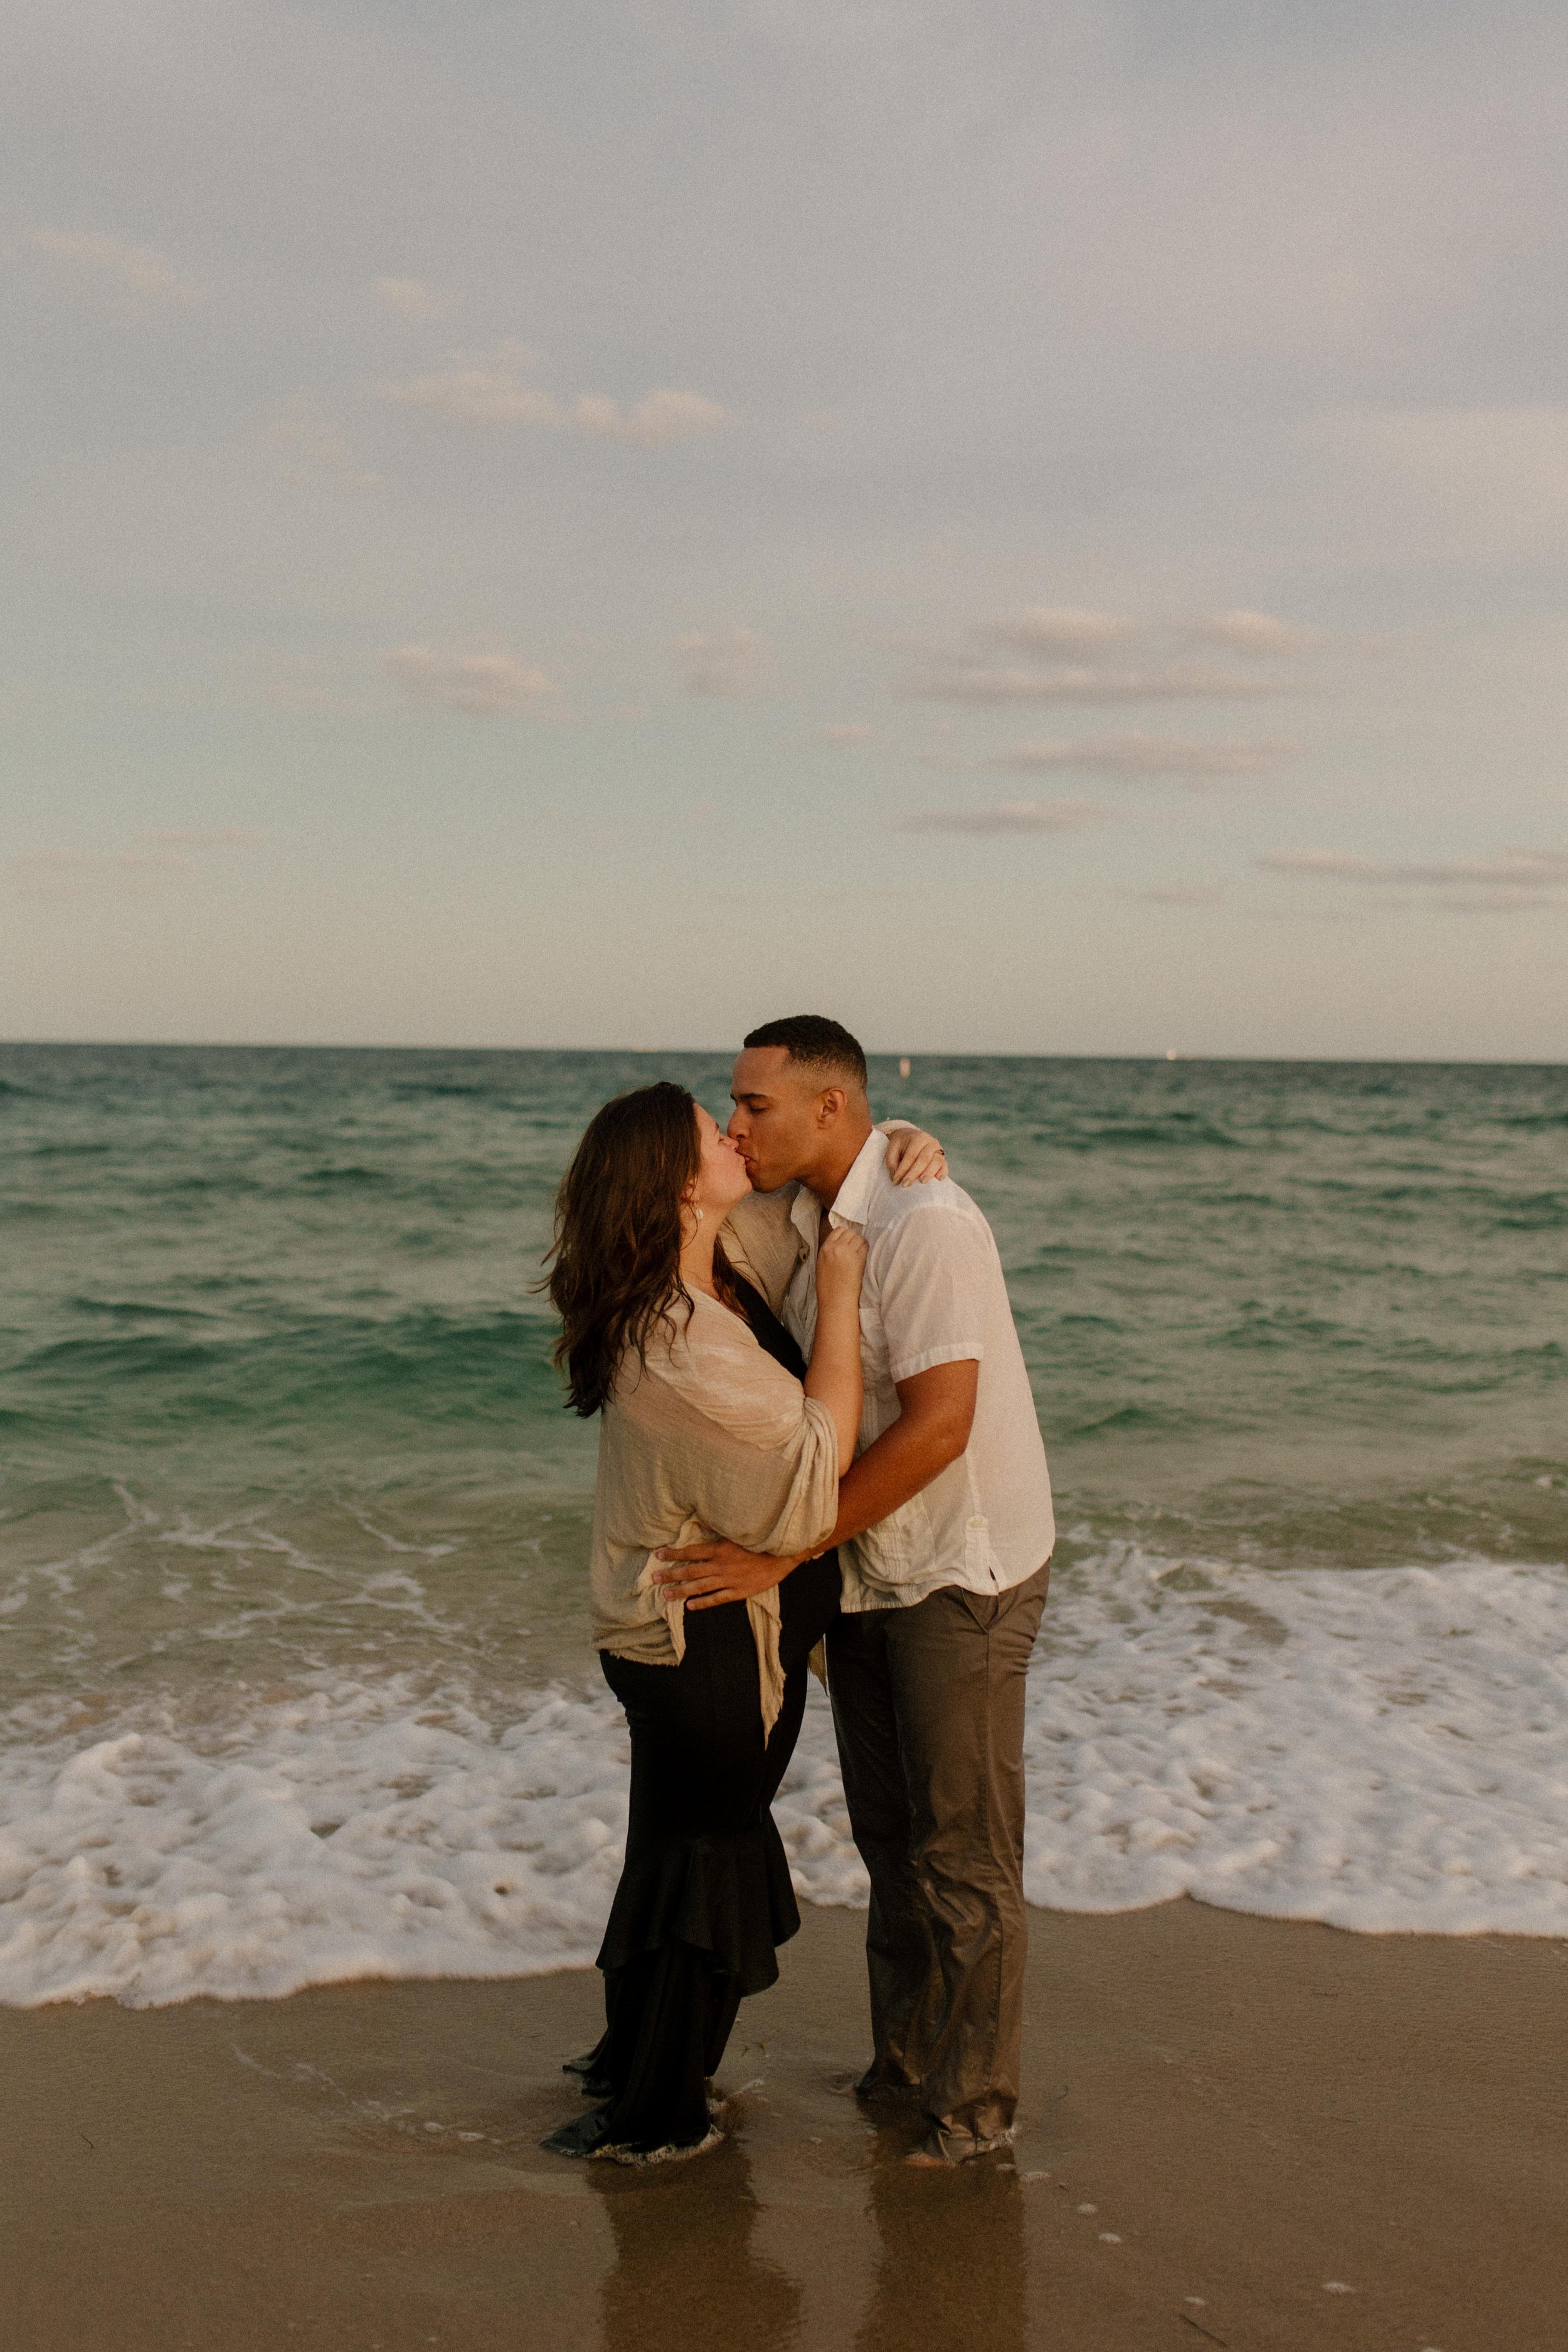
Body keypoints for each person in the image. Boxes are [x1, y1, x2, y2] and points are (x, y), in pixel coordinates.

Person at [655, 1017, 1055, 2166]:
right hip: (871, 1569)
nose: (737, 1123)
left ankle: (973, 2115)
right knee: (890, 1837)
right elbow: (671, 1210)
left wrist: (781, 1555)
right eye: (731, 1107)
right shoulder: (797, 1215)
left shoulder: (929, 1224)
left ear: (831, 1107)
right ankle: (908, 2068)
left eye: (755, 1105)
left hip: (959, 1569)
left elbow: (938, 1429)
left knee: (963, 1853)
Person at [539, 1079, 946, 2163]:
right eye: (712, 1135)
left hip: (676, 1636)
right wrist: (851, 1290)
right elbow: (815, 1481)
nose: (735, 1136)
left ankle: (630, 2068)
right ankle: (656, 2121)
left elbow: (819, 1177)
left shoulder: (708, 1265)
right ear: (677, 1186)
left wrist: (895, 1136)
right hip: (704, 1646)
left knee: (673, 1851)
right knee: (706, 1865)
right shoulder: (680, 1344)